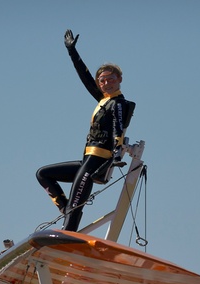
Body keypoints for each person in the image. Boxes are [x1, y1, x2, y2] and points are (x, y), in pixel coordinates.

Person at [36, 29, 135, 232]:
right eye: (102, 80)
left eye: (110, 79)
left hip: (98, 160)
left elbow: (119, 127)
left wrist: (117, 152)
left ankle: (68, 232)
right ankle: (66, 211)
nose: (106, 83)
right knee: (43, 174)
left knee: (76, 201)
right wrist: (72, 52)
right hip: (87, 159)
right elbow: (85, 77)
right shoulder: (103, 100)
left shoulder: (118, 103)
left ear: (119, 79)